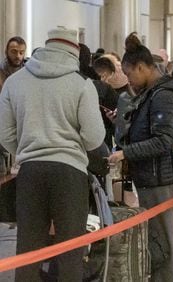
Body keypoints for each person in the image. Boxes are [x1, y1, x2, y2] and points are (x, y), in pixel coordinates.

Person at [0, 27, 105, 281]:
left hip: (30, 173)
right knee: (70, 250)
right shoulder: (82, 84)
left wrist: (28, 148)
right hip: (70, 174)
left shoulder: (14, 82)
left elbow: (5, 133)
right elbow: (94, 137)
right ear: (75, 51)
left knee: (27, 250)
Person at [107, 33, 173, 282]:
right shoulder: (152, 93)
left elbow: (164, 140)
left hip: (159, 179)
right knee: (156, 241)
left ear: (142, 67)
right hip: (152, 177)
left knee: (161, 243)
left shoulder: (163, 96)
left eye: (130, 74)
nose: (129, 81)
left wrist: (125, 153)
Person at [0, 36, 26, 176]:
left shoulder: (28, 72)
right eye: (14, 51)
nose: (18, 56)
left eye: (21, 52)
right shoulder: (1, 72)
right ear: (6, 51)